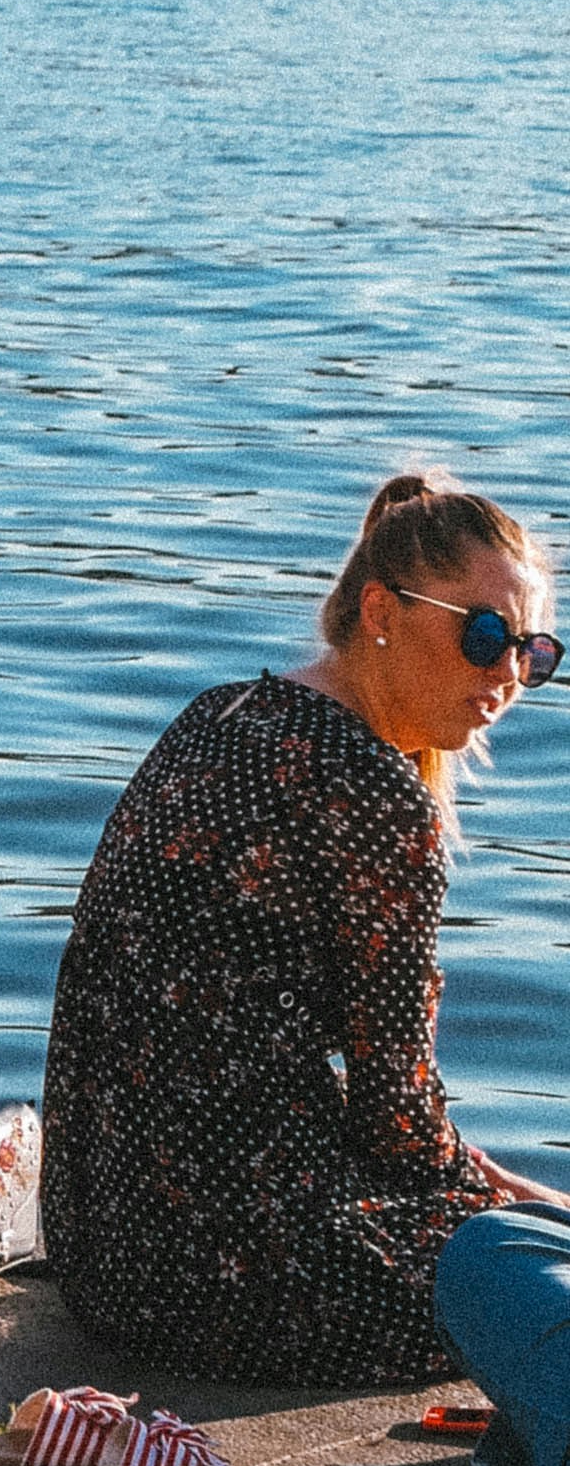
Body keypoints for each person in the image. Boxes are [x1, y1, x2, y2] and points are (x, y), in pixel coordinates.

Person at [41, 471, 563, 1389]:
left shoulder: (223, 712)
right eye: (484, 636)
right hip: (234, 1280)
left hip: (101, 1246)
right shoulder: (376, 800)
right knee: (534, 1270)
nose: (508, 678)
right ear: (381, 610)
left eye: (535, 650)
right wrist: (504, 1197)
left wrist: (475, 1180)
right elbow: (397, 1119)